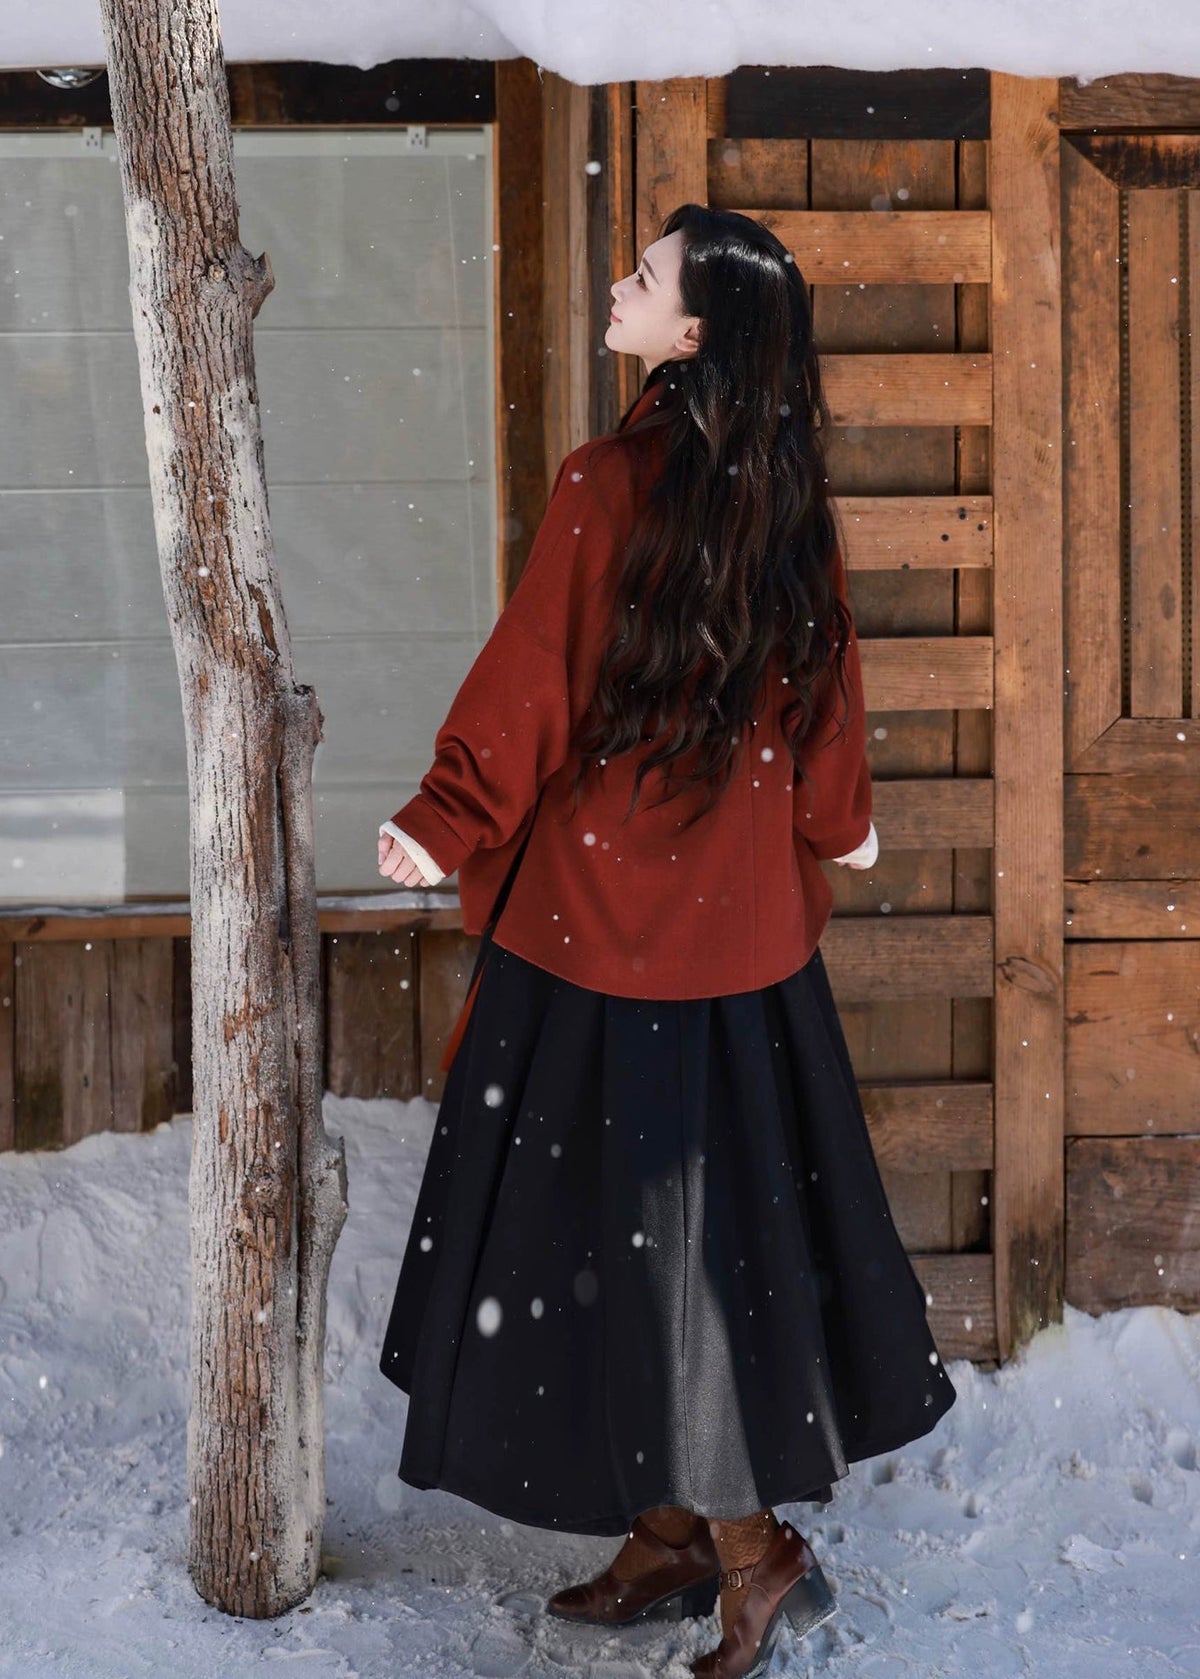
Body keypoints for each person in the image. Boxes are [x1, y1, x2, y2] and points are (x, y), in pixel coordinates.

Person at [375, 203, 958, 1679]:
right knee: (697, 1254)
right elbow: (819, 701)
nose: (621, 287)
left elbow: (535, 680)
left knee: (633, 1256)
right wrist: (838, 821)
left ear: (693, 335)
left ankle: (759, 1553)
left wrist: (446, 817)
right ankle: (675, 1528)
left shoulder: (605, 484)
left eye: (645, 280)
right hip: (733, 954)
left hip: (601, 945)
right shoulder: (783, 497)